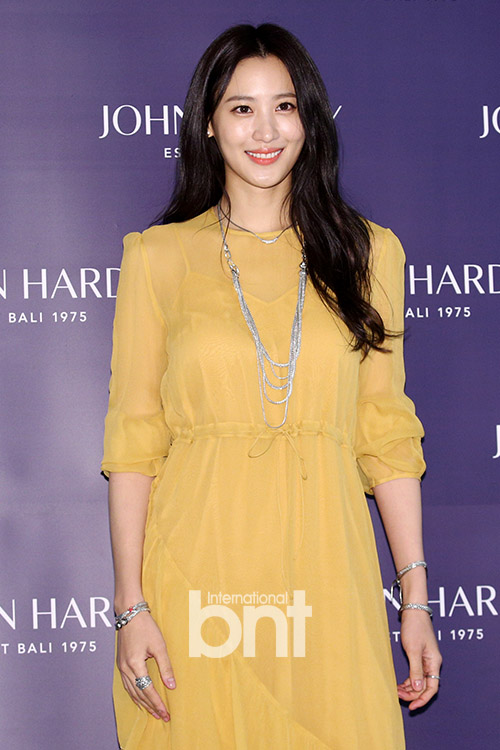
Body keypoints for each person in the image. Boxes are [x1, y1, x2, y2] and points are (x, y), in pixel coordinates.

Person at [101, 22, 442, 750]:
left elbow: (385, 433)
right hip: (197, 575)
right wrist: (131, 606)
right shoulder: (158, 258)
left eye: (284, 106)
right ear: (209, 123)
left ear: (309, 119)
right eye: (241, 107)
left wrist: (415, 599)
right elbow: (133, 440)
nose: (265, 129)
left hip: (326, 574)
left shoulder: (370, 253)